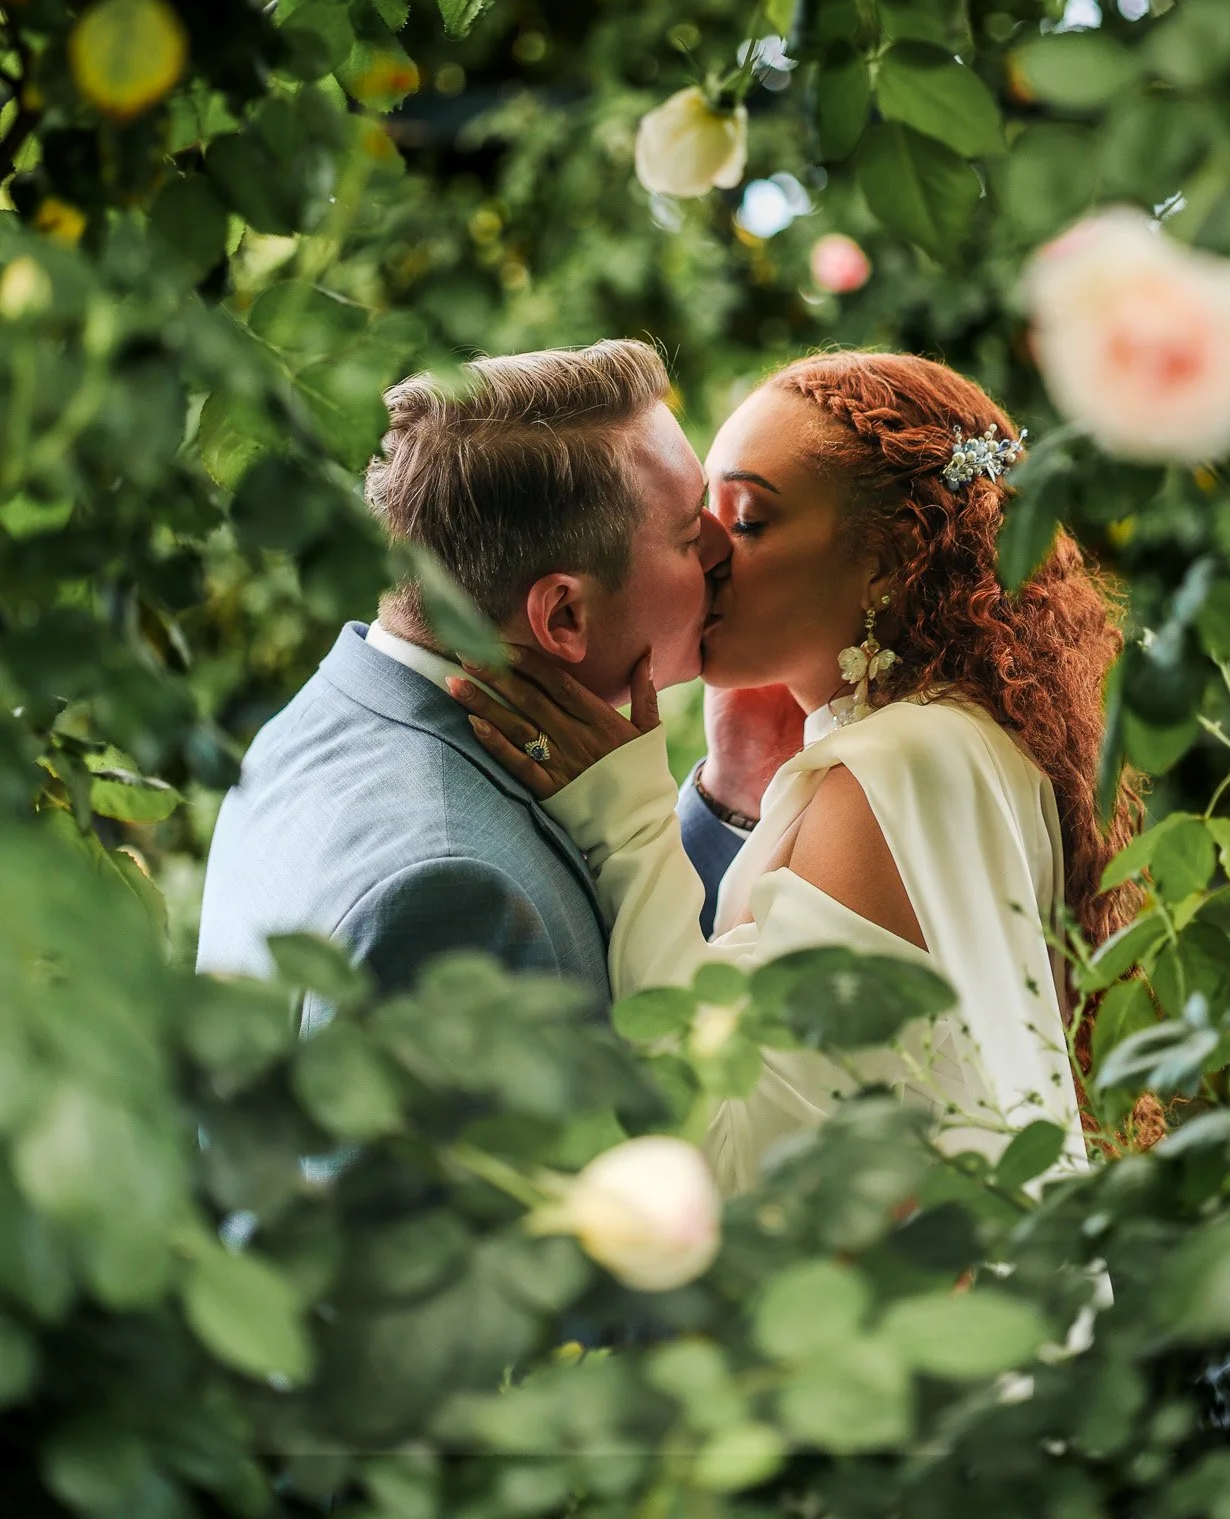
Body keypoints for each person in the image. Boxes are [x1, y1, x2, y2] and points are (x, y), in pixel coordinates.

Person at [449, 352, 1141, 1194]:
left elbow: (742, 1175)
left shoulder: (888, 771)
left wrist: (625, 818)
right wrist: (736, 789)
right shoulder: (950, 746)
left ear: (888, 559)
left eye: (746, 522)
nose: (704, 551)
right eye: (701, 514)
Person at [196, 340, 731, 1024]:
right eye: (690, 533)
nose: (724, 547)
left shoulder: (305, 727)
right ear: (563, 616)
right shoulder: (451, 895)